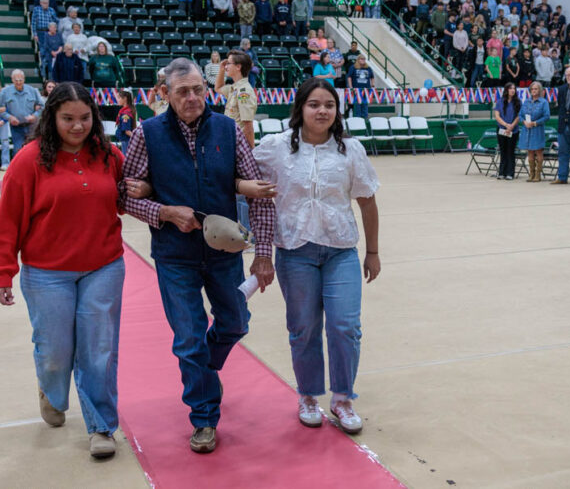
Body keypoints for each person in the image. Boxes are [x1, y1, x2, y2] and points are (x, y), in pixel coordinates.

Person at [119, 58, 276, 454]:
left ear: (207, 89)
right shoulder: (147, 133)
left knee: (236, 322)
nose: (192, 98)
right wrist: (165, 213)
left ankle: (206, 372)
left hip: (223, 252)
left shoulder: (228, 129)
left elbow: (255, 191)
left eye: (197, 90)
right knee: (189, 338)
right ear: (164, 95)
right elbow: (125, 194)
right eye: (182, 92)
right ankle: (204, 417)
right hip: (174, 255)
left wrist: (263, 253)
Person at [0, 82, 133, 460]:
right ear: (52, 117)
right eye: (68, 118)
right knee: (55, 351)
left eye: (85, 118)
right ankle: (51, 391)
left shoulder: (108, 154)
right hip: (46, 272)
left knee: (98, 349)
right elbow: (8, 220)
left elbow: (127, 195)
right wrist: (2, 272)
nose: (78, 126)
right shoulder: (29, 160)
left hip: (103, 266)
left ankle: (101, 426)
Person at [251, 77, 380, 434]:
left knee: (345, 326)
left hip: (340, 251)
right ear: (300, 109)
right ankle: (308, 394)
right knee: (304, 328)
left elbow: (367, 201)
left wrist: (372, 251)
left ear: (337, 111)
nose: (322, 111)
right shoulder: (277, 147)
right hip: (295, 251)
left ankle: (342, 398)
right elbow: (242, 166)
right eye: (314, 104)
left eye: (329, 105)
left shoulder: (350, 150)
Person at [216, 50, 258, 233]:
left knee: (242, 193)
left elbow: (248, 124)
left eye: (229, 64)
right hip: (231, 146)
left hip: (240, 148)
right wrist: (220, 68)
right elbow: (218, 88)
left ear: (239, 67)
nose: (226, 66)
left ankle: (248, 233)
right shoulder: (234, 88)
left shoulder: (243, 91)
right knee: (235, 191)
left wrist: (250, 151)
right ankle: (242, 230)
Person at [0, 70, 43, 157]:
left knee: (34, 151)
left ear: (24, 79)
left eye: (20, 80)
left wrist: (34, 116)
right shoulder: (4, 93)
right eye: (16, 80)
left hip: (31, 126)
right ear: (12, 80)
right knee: (18, 151)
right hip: (16, 127)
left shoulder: (33, 91)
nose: (18, 82)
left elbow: (42, 106)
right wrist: (10, 117)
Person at [518, 81, 550, 182]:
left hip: (537, 129)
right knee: (530, 152)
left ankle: (538, 174)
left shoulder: (543, 102)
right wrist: (524, 122)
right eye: (532, 89)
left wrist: (535, 123)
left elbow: (546, 116)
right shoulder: (526, 101)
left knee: (538, 151)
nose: (533, 91)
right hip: (526, 129)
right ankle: (531, 174)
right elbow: (520, 115)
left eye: (535, 89)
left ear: (539, 90)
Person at [494, 82, 520, 180]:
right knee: (503, 150)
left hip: (513, 130)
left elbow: (518, 116)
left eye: (514, 88)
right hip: (501, 129)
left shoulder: (518, 102)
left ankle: (510, 173)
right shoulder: (500, 101)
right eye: (510, 88)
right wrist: (505, 125)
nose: (512, 90)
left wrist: (511, 126)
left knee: (510, 151)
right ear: (506, 90)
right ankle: (502, 172)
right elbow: (497, 115)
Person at [114, 90, 138, 155]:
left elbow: (127, 131)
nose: (117, 100)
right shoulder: (127, 110)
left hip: (126, 141)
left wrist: (137, 138)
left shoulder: (125, 114)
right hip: (125, 140)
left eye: (119, 97)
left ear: (125, 98)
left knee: (125, 158)